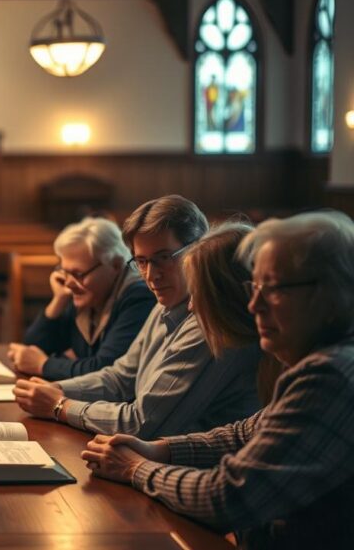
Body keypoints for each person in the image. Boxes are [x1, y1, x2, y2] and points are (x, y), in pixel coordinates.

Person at [82, 211, 354, 548]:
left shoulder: (332, 375)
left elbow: (228, 498)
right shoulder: (321, 360)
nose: (254, 305)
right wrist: (160, 450)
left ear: (329, 292)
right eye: (254, 288)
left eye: (273, 289)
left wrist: (135, 468)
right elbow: (246, 432)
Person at [14, 196, 260, 438]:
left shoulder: (207, 321)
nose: (151, 275)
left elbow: (142, 423)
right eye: (141, 261)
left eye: (164, 258)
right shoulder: (164, 304)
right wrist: (55, 389)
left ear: (197, 250)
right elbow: (120, 377)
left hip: (198, 465)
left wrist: (60, 406)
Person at [8, 217, 155, 379]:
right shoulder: (87, 294)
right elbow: (34, 348)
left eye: (78, 274)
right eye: (65, 271)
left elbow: (105, 370)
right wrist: (58, 301)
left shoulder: (139, 297)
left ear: (115, 265)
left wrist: (43, 365)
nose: (69, 283)